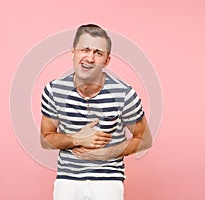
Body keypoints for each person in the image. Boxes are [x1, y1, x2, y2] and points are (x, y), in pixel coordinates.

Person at [40, 24, 153, 200]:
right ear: (73, 52)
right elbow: (46, 139)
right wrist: (76, 138)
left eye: (98, 53)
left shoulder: (123, 93)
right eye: (85, 49)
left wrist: (107, 153)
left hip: (108, 182)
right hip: (67, 181)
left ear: (107, 60)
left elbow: (144, 139)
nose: (90, 58)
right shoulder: (54, 90)